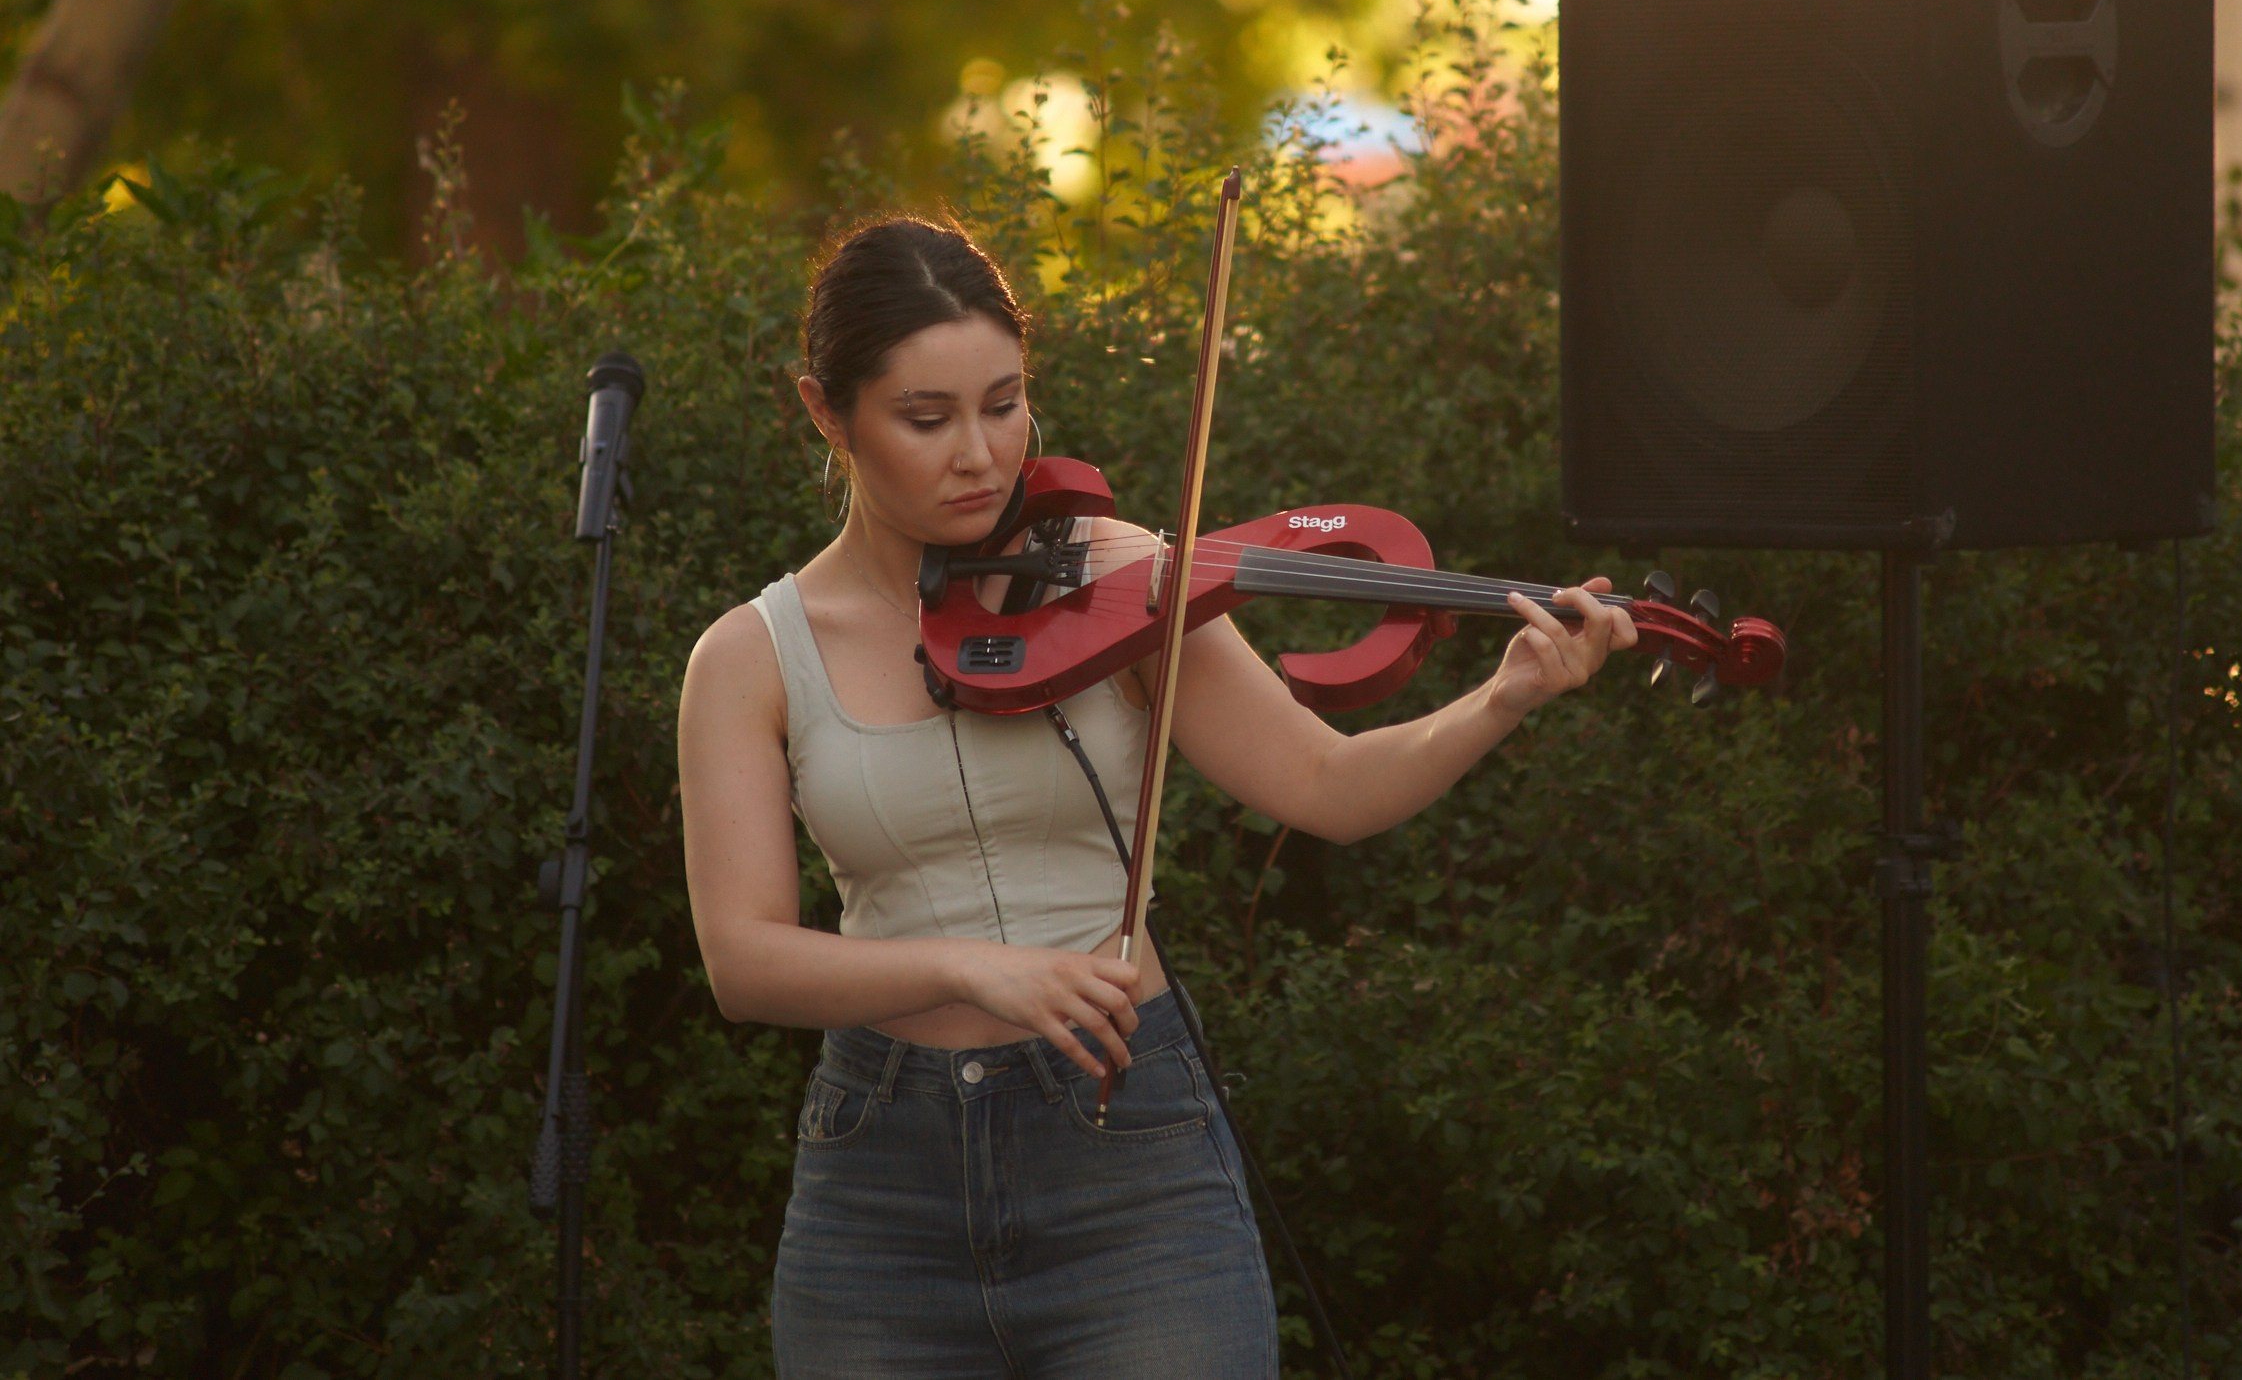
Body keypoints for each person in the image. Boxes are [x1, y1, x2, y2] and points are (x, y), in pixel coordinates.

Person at [678, 214, 1635, 1379]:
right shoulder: (751, 655)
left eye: (1004, 402)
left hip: (1126, 1151)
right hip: (880, 1184)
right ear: (826, 413)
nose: (980, 453)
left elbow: (1327, 783)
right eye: (925, 419)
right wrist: (972, 967)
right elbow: (743, 961)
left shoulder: (1114, 576)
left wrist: (1502, 697)